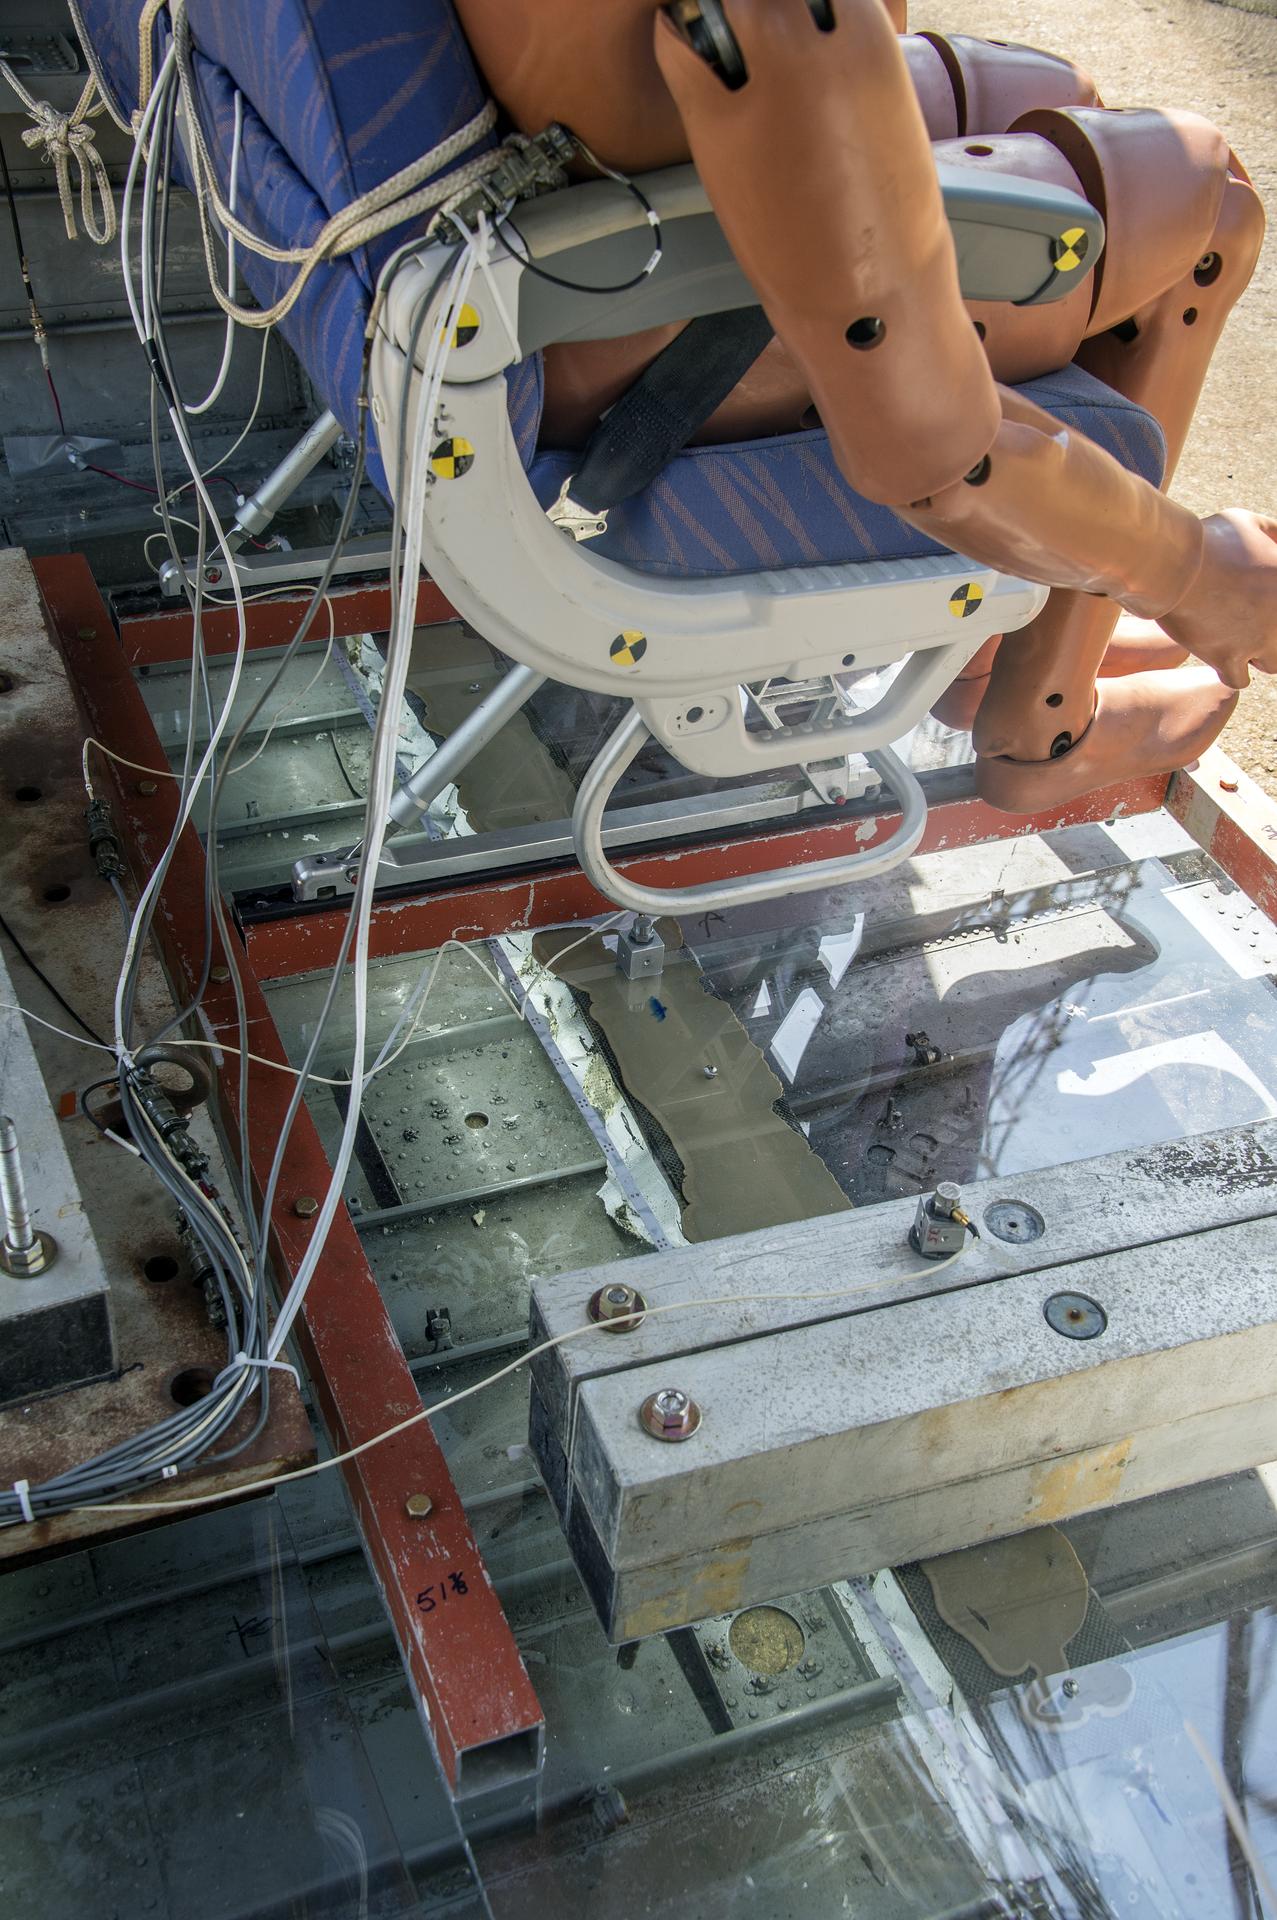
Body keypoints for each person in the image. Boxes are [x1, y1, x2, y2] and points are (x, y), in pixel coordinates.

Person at [453, 0, 1272, 809]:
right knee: (1203, 200)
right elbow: (924, 442)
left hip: (570, 229)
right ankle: (1047, 723)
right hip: (661, 335)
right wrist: (1189, 573)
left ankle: (993, 658)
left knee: (1045, 90)